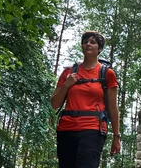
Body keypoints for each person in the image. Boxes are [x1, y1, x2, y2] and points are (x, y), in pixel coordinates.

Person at [51, 31, 121, 168]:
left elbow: (113, 108)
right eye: (85, 42)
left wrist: (116, 136)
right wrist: (66, 85)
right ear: (82, 46)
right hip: (66, 129)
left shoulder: (107, 74)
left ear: (99, 49)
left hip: (93, 129)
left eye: (93, 42)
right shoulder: (68, 73)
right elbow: (55, 104)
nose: (88, 44)